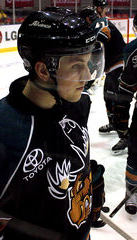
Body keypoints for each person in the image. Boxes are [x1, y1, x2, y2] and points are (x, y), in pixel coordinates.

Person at [0, 7, 105, 240]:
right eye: (77, 65)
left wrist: (86, 176)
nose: (87, 75)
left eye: (88, 63)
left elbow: (65, 153)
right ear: (43, 70)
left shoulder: (77, 103)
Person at [79, 6, 127, 155]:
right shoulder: (98, 23)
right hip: (112, 67)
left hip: (120, 65)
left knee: (117, 99)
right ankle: (114, 124)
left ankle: (125, 135)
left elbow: (102, 37)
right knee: (107, 96)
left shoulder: (99, 23)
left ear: (88, 18)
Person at [112, 14, 137, 214]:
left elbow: (126, 89)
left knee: (135, 154)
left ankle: (132, 194)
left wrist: (121, 120)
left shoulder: (132, 50)